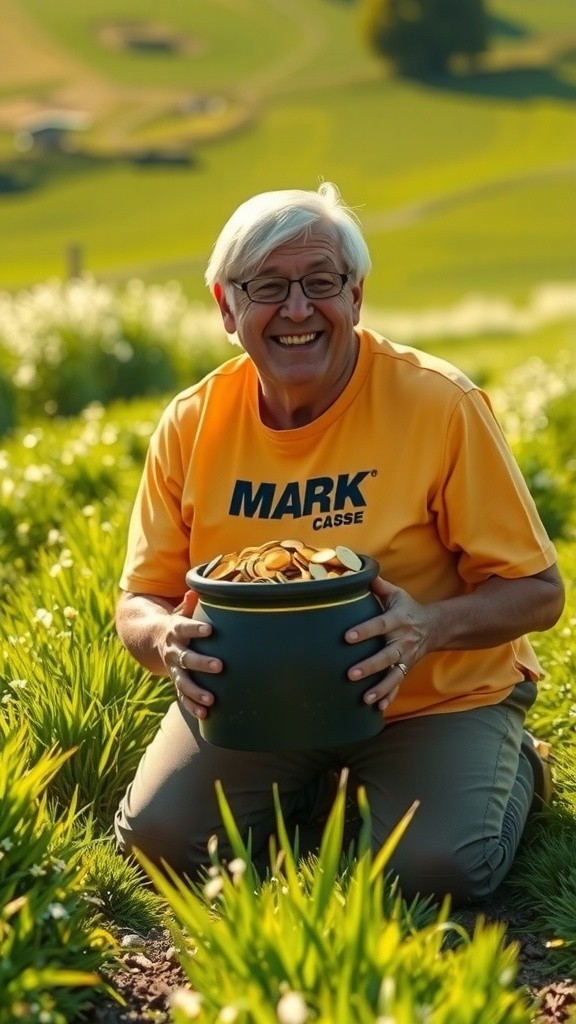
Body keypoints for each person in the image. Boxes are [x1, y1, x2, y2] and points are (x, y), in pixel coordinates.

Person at [114, 182, 565, 904]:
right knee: (161, 842)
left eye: (321, 282)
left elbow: (540, 593)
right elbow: (139, 597)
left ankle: (514, 766)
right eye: (268, 286)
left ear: (356, 296)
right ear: (227, 308)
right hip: (255, 708)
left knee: (434, 874)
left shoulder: (440, 405)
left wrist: (428, 626)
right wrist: (164, 638)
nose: (298, 310)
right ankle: (319, 785)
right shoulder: (191, 422)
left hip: (434, 702)